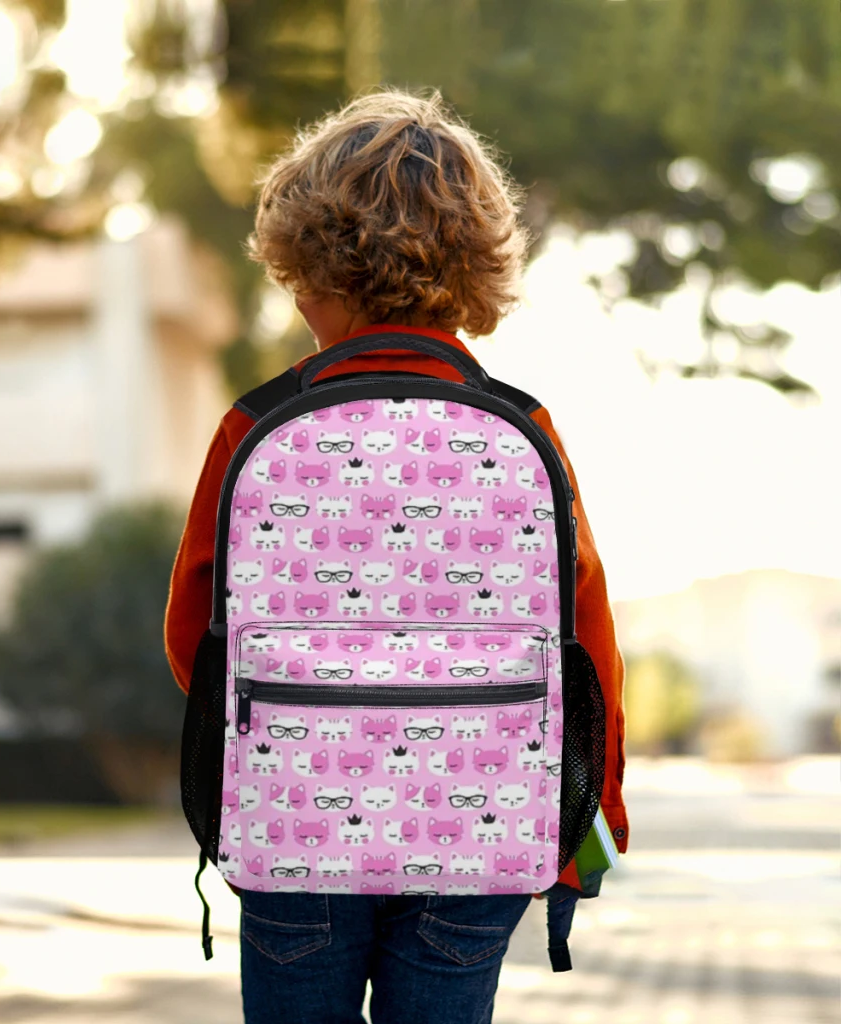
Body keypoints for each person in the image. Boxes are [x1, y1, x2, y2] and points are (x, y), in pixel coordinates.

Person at [165, 89, 627, 1024]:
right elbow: (585, 637)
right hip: (478, 830)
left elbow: (193, 636)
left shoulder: (255, 426)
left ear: (311, 269)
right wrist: (595, 810)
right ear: (475, 269)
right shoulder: (523, 428)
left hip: (299, 832)